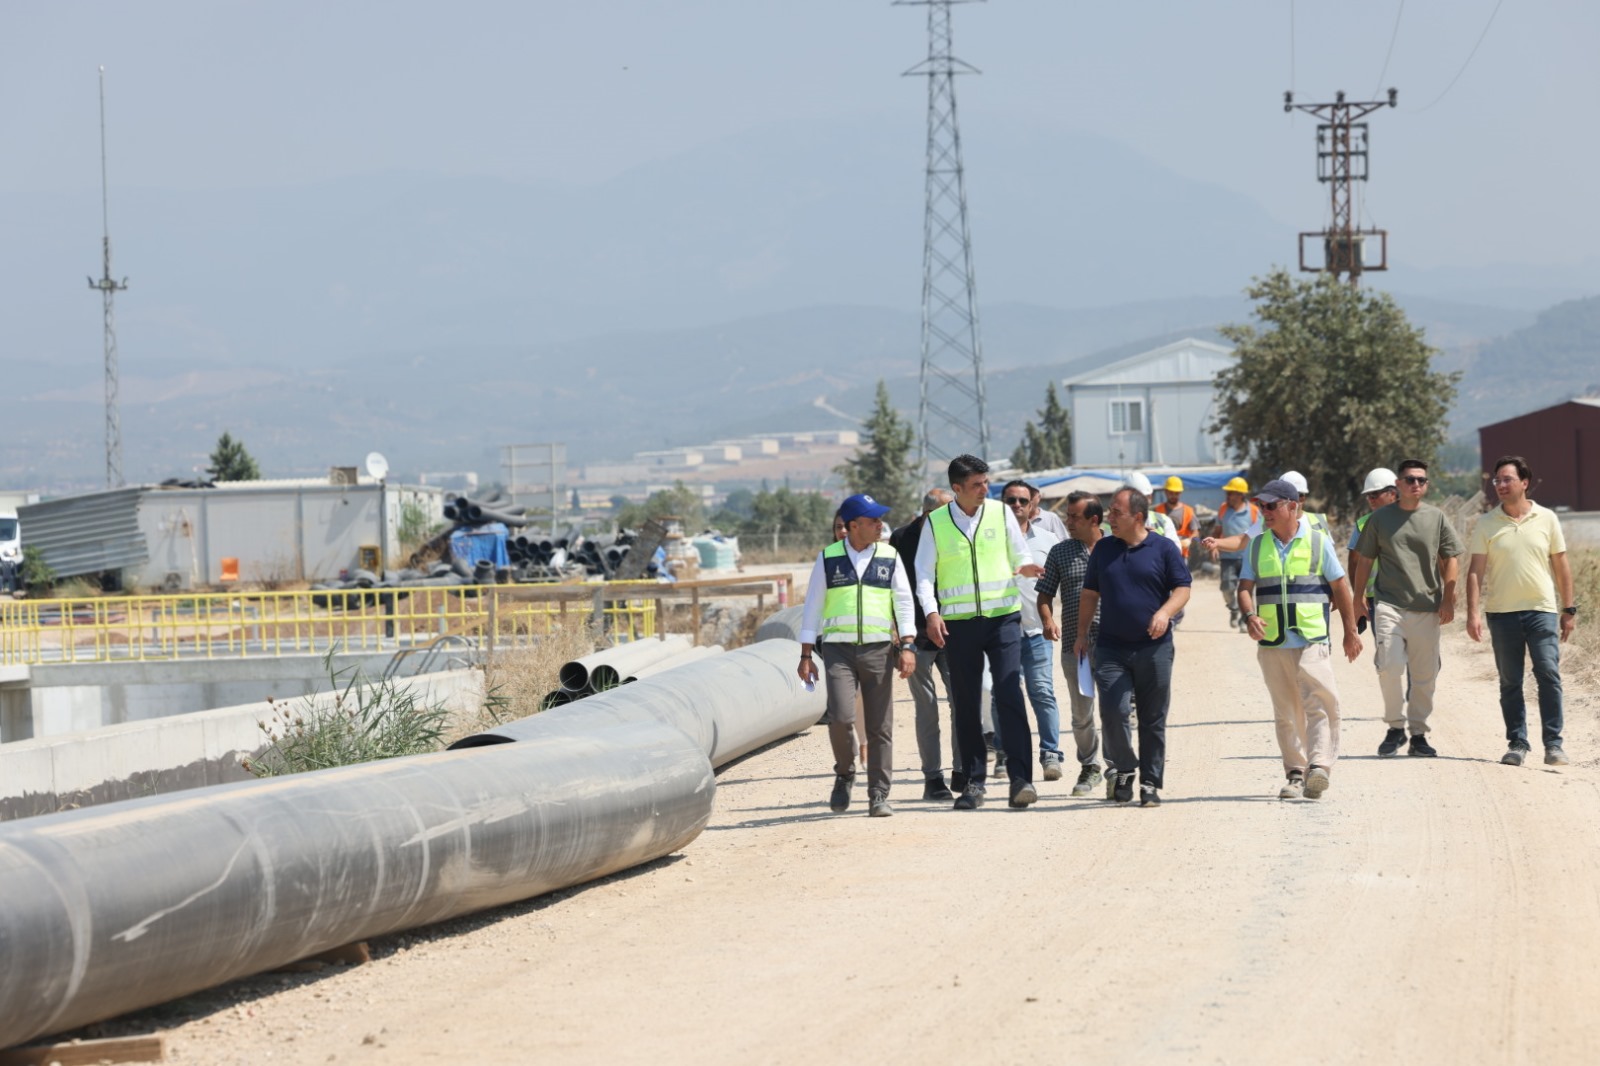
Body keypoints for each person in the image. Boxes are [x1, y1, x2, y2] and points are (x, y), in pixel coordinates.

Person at [916, 454, 1045, 810]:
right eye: (977, 484)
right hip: (958, 625)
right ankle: (974, 784)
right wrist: (931, 614)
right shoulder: (937, 523)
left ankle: (1021, 779)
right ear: (957, 488)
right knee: (967, 701)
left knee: (1008, 692)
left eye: (987, 482)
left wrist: (1026, 567)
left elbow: (1018, 555)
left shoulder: (1001, 513)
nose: (986, 489)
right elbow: (924, 574)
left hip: (1003, 617)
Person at [1236, 479, 1363, 801]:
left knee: (1320, 702)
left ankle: (1318, 766)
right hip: (1273, 643)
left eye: (1271, 506)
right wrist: (1250, 616)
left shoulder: (1319, 543)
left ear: (1293, 507)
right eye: (1261, 506)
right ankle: (1294, 774)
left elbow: (1340, 588)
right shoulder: (1257, 545)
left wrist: (1350, 632)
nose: (1264, 512)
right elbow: (1244, 588)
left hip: (1311, 639)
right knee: (1286, 712)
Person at [798, 493, 917, 817]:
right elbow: (813, 606)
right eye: (873, 520)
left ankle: (879, 794)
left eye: (880, 520)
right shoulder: (828, 558)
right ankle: (845, 773)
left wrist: (907, 645)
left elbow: (904, 602)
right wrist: (806, 654)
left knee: (880, 726)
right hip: (838, 651)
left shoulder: (889, 555)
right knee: (841, 718)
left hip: (879, 649)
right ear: (853, 526)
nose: (880, 525)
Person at [1072, 486, 1191, 807]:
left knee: (1153, 718)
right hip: (1111, 647)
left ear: (1138, 517)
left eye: (1116, 513)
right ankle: (1124, 768)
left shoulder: (1164, 548)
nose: (1109, 518)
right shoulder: (1104, 549)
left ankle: (1150, 783)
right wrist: (1082, 634)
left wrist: (1165, 613)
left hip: (1155, 648)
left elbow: (1182, 587)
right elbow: (1089, 594)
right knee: (1112, 710)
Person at [1465, 456, 1578, 768]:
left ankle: (1554, 744)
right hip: (1501, 615)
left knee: (1549, 675)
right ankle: (1517, 742)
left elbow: (1561, 566)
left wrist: (1568, 609)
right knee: (1510, 681)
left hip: (1541, 610)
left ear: (1524, 482)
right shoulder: (1487, 523)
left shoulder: (1547, 518)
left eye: (1506, 479)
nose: (1500, 485)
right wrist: (1472, 613)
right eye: (1496, 481)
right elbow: (1475, 571)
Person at [1351, 458, 1464, 757]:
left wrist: (1449, 597)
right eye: (1410, 480)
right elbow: (1364, 560)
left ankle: (1418, 734)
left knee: (1425, 676)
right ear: (1399, 484)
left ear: (1426, 485)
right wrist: (1357, 598)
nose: (1416, 484)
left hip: (1426, 607)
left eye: (1421, 480)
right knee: (1388, 666)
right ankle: (1394, 727)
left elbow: (1451, 557)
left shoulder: (1436, 517)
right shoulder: (1379, 520)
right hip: (1388, 604)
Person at [888, 487, 959, 799]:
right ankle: (933, 778)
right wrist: (901, 635)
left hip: (953, 632)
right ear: (928, 513)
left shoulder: (953, 532)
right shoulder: (902, 539)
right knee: (927, 708)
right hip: (916, 636)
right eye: (945, 511)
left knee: (962, 704)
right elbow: (896, 588)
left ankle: (962, 770)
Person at [1036, 490, 1106, 797]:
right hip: (1075, 649)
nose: (1068, 521)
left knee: (1116, 710)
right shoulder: (1060, 552)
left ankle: (1117, 768)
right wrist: (1048, 620)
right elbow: (1044, 595)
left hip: (1115, 645)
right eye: (1067, 516)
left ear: (1094, 519)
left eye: (1074, 517)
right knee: (1081, 714)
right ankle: (1090, 766)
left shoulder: (1116, 548)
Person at [1000, 479, 1065, 781]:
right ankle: (1004, 753)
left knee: (1042, 691)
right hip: (1000, 632)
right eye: (1010, 500)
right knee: (1002, 694)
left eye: (1022, 501)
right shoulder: (990, 540)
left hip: (1037, 631)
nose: (1016, 506)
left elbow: (1065, 580)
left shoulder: (1049, 540)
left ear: (1032, 504)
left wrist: (1057, 617)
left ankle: (1050, 754)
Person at [1348, 468, 1399, 621]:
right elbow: (1353, 563)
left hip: (1411, 596)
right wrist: (1359, 596)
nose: (1370, 499)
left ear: (1392, 493)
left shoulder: (1413, 520)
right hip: (1377, 599)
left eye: (1374, 494)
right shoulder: (1362, 525)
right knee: (1386, 644)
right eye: (1368, 496)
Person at [1207, 476, 1257, 632]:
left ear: (1241, 494)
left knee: (1246, 590)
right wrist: (1215, 547)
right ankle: (1234, 608)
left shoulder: (1254, 512)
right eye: (1227, 493)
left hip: (1247, 558)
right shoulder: (1223, 509)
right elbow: (1217, 531)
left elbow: (1259, 534)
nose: (1228, 496)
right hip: (1227, 557)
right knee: (1226, 588)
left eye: (1231, 493)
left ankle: (1244, 620)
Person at [1154, 476, 1197, 563]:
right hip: (1161, 554)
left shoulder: (1188, 511)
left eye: (1176, 493)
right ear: (1165, 492)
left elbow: (1195, 532)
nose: (1173, 496)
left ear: (1180, 493)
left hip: (1181, 554)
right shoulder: (1157, 511)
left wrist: (1189, 540)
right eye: (1171, 493)